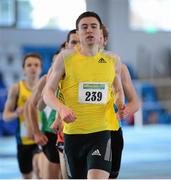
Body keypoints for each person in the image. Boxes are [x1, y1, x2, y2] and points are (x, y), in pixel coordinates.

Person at [43, 11, 126, 179]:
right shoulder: (65, 58)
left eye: (93, 26)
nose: (89, 30)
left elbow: (118, 90)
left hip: (101, 133)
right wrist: (62, 109)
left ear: (100, 33)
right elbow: (47, 92)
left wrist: (120, 104)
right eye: (84, 27)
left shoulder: (113, 61)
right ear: (78, 33)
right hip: (73, 135)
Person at [25, 29, 80, 179]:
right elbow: (33, 106)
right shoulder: (47, 78)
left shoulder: (79, 72)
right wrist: (36, 131)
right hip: (52, 132)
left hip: (75, 128)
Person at [100, 24, 140, 178]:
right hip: (82, 130)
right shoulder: (76, 66)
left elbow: (135, 103)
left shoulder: (120, 68)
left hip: (111, 130)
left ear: (104, 40)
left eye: (99, 37)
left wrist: (123, 111)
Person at [3, 53, 42, 179]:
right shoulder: (16, 88)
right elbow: (5, 115)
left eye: (36, 65)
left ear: (40, 68)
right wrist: (16, 113)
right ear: (23, 69)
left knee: (41, 171)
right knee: (27, 175)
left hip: (43, 138)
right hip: (24, 140)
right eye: (29, 65)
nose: (33, 68)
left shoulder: (46, 87)